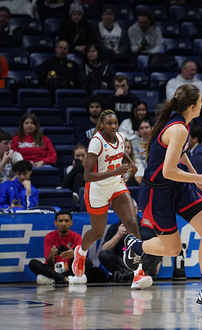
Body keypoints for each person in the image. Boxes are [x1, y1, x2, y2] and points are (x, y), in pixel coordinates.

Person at [123, 84, 202, 309]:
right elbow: (167, 171)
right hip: (157, 193)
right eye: (200, 101)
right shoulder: (178, 128)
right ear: (192, 105)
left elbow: (181, 153)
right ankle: (136, 246)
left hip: (178, 188)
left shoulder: (183, 124)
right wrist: (198, 180)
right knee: (172, 249)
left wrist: (195, 177)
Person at [71, 109, 151, 291]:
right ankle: (80, 253)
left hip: (116, 186)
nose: (113, 126)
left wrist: (130, 162)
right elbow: (87, 176)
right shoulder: (96, 142)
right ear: (101, 125)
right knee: (97, 233)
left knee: (132, 223)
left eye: (115, 123)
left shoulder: (121, 137)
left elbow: (121, 152)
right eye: (109, 124)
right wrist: (115, 171)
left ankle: (139, 272)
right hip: (96, 190)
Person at [29, 210, 91, 285]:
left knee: (88, 262)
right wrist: (51, 255)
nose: (64, 224)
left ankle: (56, 280)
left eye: (66, 221)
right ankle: (65, 279)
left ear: (71, 223)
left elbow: (81, 257)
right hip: (54, 269)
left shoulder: (76, 237)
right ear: (55, 223)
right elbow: (49, 262)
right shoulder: (49, 237)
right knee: (33, 263)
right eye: (60, 221)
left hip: (70, 268)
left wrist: (74, 254)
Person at [99, 216, 161, 287]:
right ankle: (131, 273)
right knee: (103, 254)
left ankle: (137, 272)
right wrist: (118, 235)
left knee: (154, 253)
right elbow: (105, 248)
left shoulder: (145, 226)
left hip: (142, 260)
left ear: (135, 209)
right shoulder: (114, 227)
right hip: (123, 261)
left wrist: (159, 261)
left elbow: (157, 245)